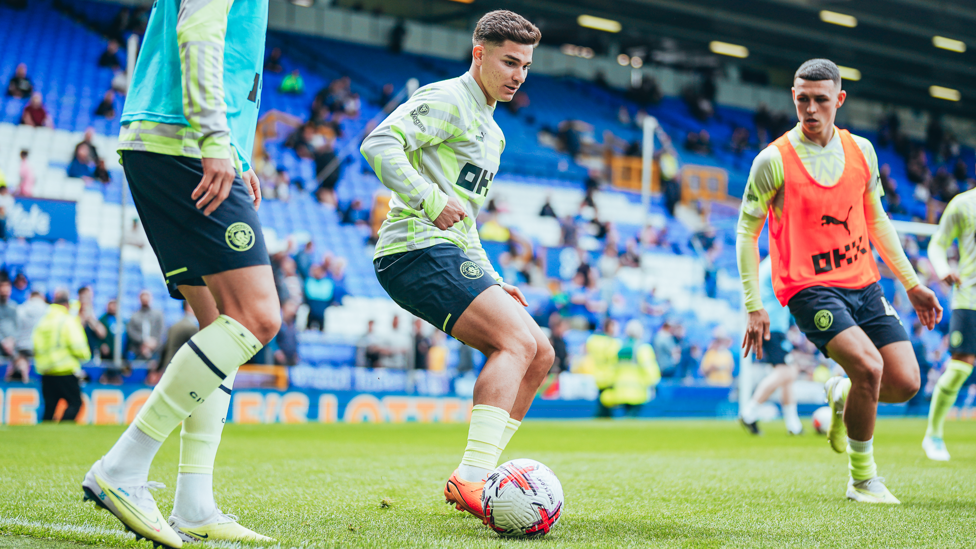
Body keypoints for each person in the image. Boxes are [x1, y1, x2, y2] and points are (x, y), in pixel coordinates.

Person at [81, 0, 278, 545]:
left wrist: (236, 150)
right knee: (257, 317)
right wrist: (217, 141)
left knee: (222, 320)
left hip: (176, 142)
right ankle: (122, 469)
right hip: (184, 142)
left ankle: (194, 503)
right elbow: (200, 31)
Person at [361, 10, 549, 520]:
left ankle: (483, 473)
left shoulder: (493, 132)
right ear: (479, 53)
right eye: (510, 62)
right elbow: (377, 143)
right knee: (515, 343)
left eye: (526, 66)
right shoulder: (448, 100)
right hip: (412, 249)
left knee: (541, 353)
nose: (518, 75)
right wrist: (426, 198)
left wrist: (491, 280)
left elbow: (466, 220)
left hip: (448, 250)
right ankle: (471, 478)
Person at [737, 59, 941, 504]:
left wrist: (910, 283)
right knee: (870, 366)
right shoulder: (772, 161)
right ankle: (862, 479)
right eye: (802, 99)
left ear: (839, 100)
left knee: (906, 382)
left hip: (864, 283)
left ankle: (842, 391)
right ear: (793, 96)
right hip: (808, 287)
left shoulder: (862, 151)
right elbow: (745, 233)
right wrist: (754, 304)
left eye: (820, 100)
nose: (810, 109)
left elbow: (878, 221)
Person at [922, 187, 976, 461]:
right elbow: (938, 243)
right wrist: (943, 269)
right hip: (969, 298)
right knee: (960, 367)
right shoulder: (964, 205)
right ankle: (933, 434)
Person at [739, 257, 803, 436]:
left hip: (769, 324)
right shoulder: (777, 265)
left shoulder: (766, 265)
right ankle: (749, 411)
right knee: (786, 372)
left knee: (788, 374)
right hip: (772, 325)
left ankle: (793, 425)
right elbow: (790, 294)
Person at [34, 289, 90, 422]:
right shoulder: (67, 320)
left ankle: (44, 434)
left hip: (46, 371)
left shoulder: (43, 321)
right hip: (65, 370)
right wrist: (85, 355)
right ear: (66, 305)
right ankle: (63, 426)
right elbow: (78, 345)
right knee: (75, 403)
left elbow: (35, 344)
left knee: (49, 407)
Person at [599, 320, 660, 418]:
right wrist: (654, 383)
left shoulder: (618, 347)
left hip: (620, 391)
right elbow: (650, 369)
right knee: (632, 418)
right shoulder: (642, 348)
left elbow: (611, 368)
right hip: (637, 391)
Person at [125, 290, 164, 362]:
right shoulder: (134, 316)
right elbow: (131, 332)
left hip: (155, 351)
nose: (145, 299)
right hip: (138, 351)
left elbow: (161, 331)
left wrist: (153, 343)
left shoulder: (158, 315)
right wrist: (143, 342)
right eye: (143, 297)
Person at [273, 300, 299, 366]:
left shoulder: (293, 323)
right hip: (280, 358)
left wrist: (296, 353)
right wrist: (277, 351)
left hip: (291, 358)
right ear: (284, 307)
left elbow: (295, 340)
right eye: (290, 306)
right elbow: (272, 341)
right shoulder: (278, 322)